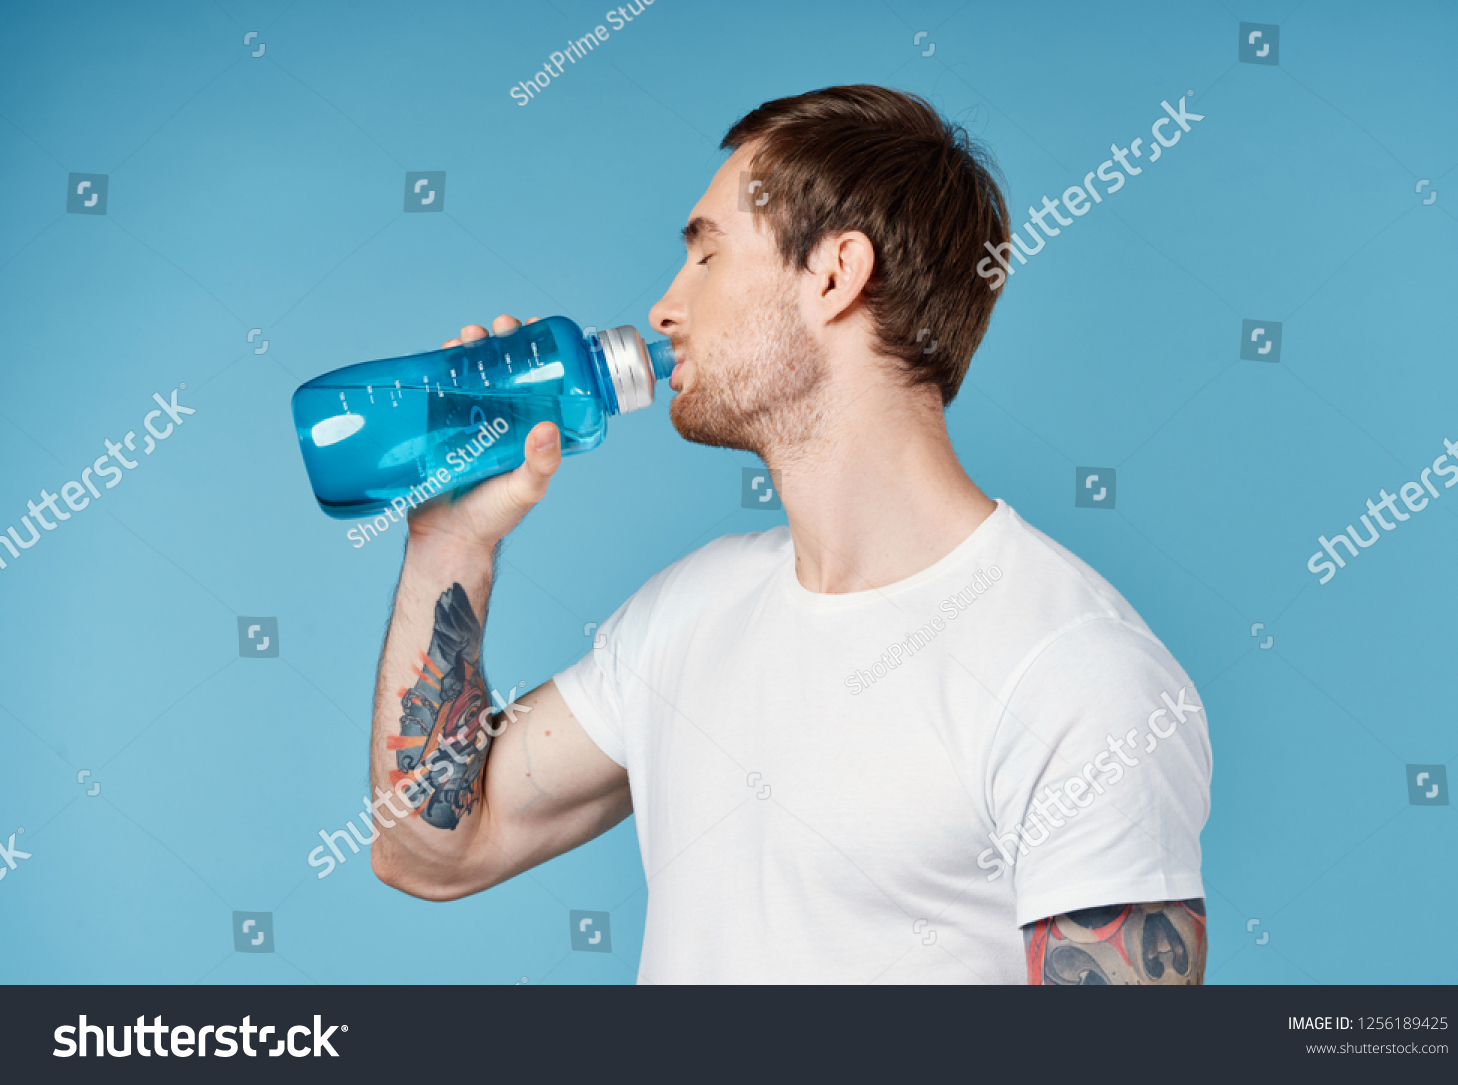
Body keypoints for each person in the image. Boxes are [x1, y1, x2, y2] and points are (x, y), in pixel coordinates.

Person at [368, 85, 1212, 985]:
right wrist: (452, 543)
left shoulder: (1075, 671)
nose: (663, 307)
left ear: (835, 274)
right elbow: (430, 851)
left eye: (706, 254)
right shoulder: (686, 612)